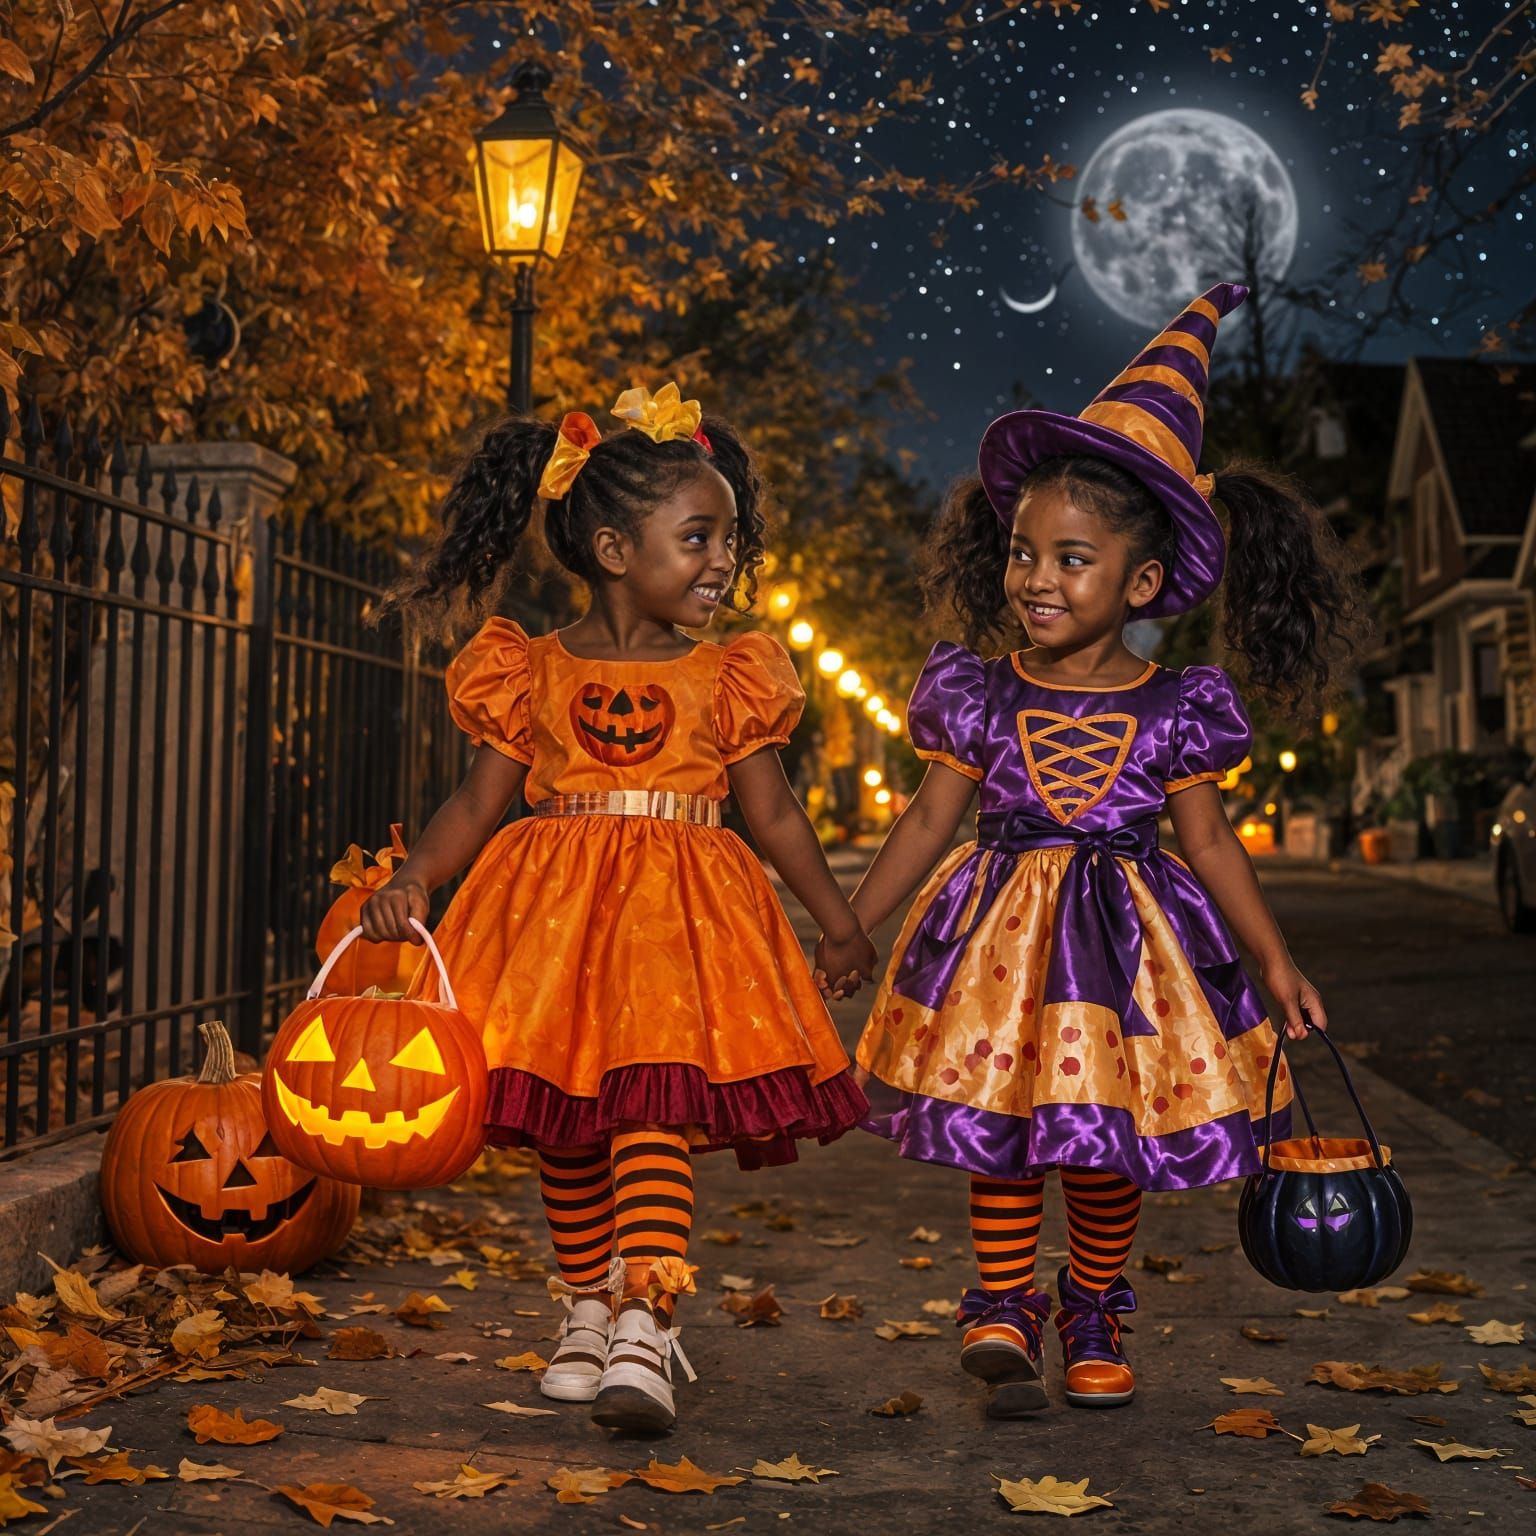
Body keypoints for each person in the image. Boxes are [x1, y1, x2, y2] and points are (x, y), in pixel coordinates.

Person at [821, 284, 1363, 1418]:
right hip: (997, 949)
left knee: (1105, 1133)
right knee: (1003, 1119)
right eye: (1025, 552)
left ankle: (1096, 1304)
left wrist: (1275, 962)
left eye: (1073, 560)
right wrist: (849, 925)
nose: (1036, 579)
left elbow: (1209, 843)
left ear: (1144, 585)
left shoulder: (1178, 705)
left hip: (1130, 957)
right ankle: (1005, 1301)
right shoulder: (982, 692)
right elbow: (928, 822)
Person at [361, 383, 875, 1433]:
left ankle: (648, 1315)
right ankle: (586, 1305)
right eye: (697, 537)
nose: (722, 562)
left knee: (651, 1110)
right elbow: (478, 800)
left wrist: (839, 918)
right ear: (610, 547)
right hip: (550, 925)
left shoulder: (731, 673)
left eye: (727, 541)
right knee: (569, 1127)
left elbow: (772, 817)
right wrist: (416, 875)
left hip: (682, 919)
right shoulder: (532, 671)